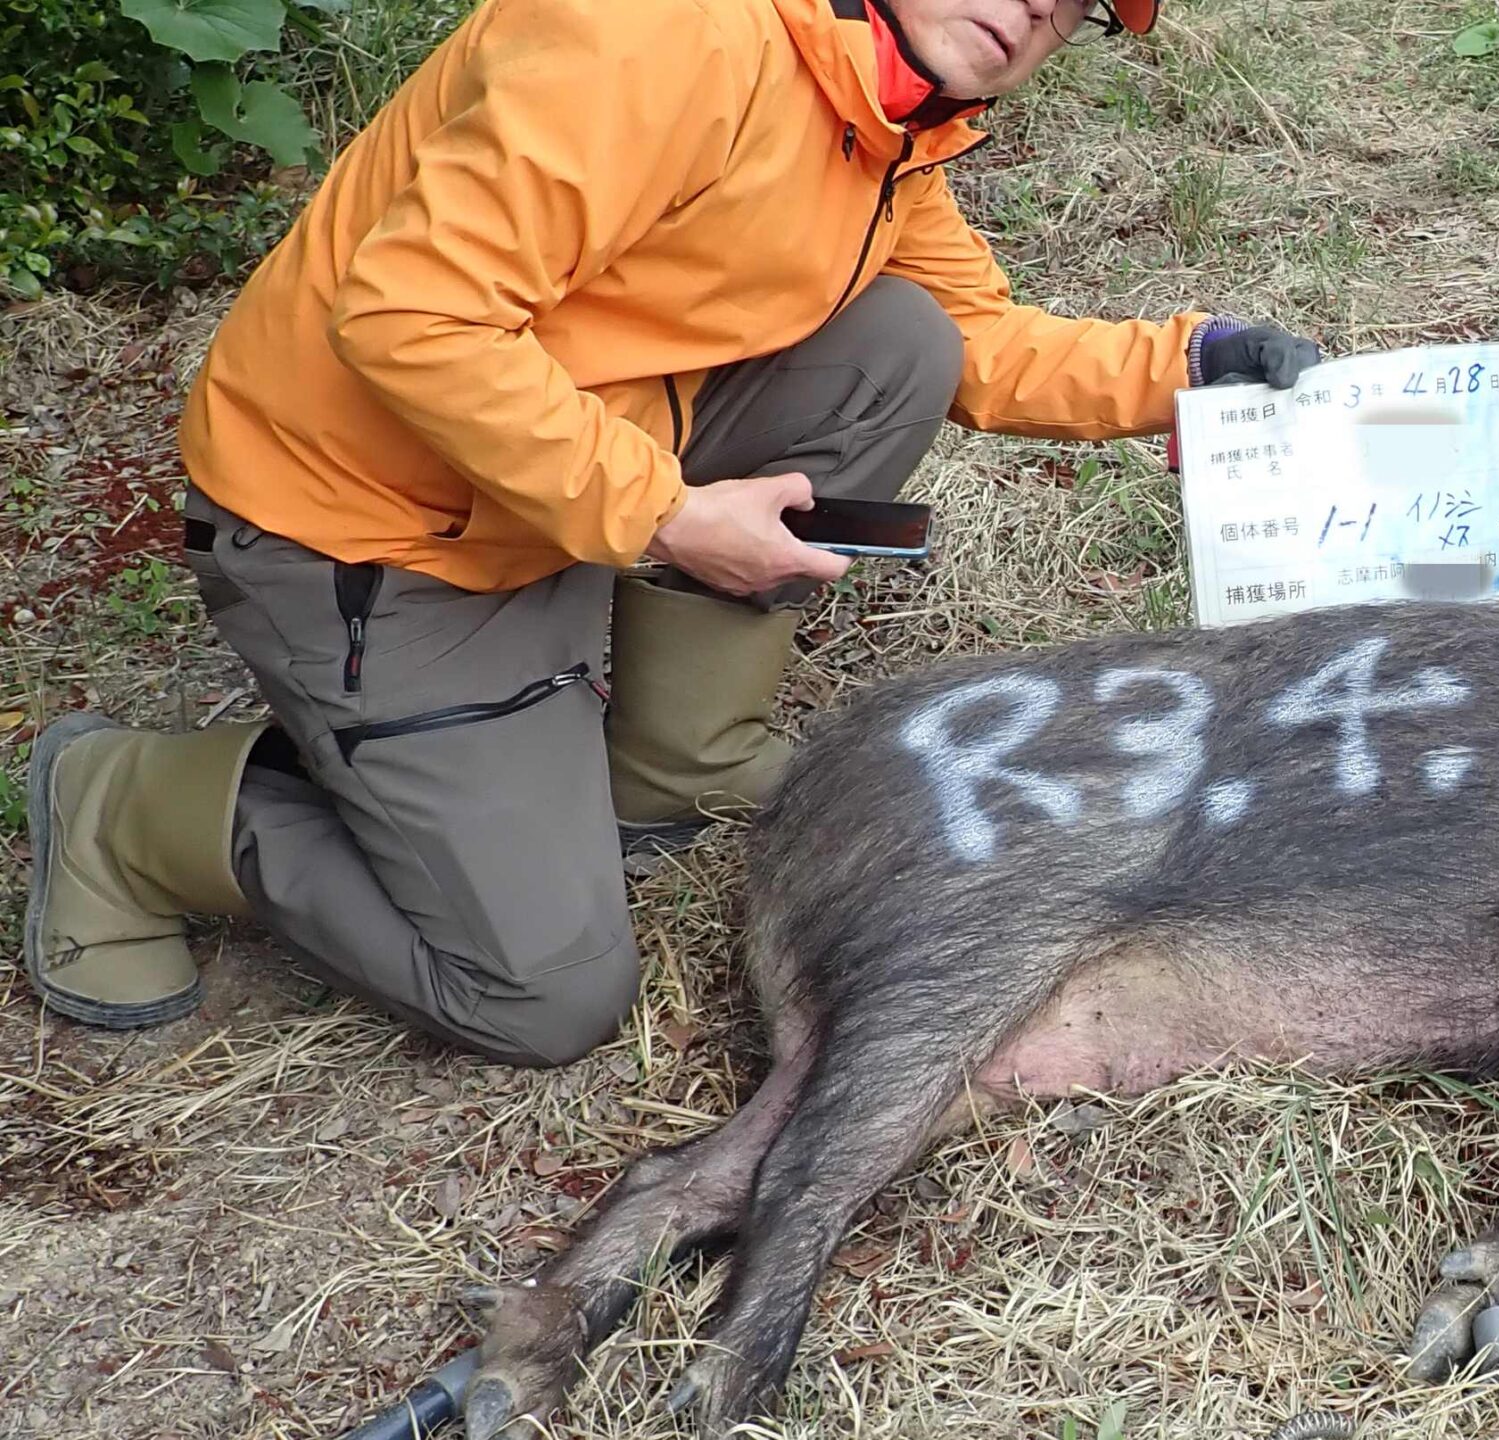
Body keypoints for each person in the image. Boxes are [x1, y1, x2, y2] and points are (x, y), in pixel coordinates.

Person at [18, 0, 1318, 1067]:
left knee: (897, 342)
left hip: (547, 484)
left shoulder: (880, 113)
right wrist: (671, 518)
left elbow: (976, 341)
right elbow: (409, 318)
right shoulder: (661, 35)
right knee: (544, 993)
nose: (1041, 6)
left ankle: (671, 758)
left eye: (1086, 4)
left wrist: (1194, 363)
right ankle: (127, 809)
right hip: (365, 531)